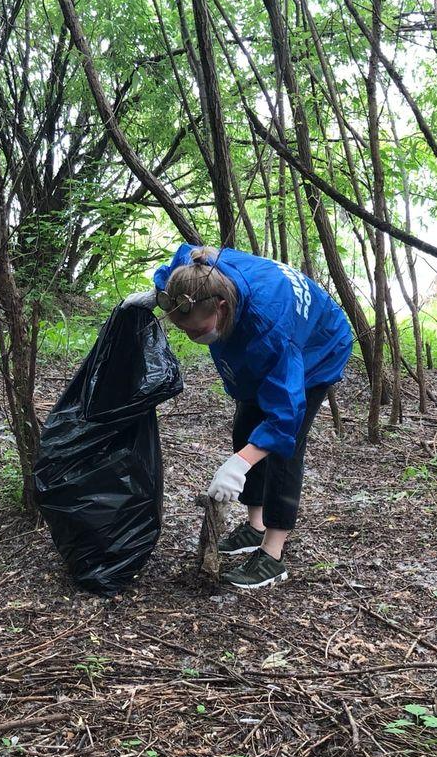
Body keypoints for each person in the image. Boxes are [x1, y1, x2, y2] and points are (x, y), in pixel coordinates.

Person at [124, 244, 352, 590]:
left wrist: (240, 463)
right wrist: (158, 296)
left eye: (198, 332)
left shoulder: (271, 329)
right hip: (262, 334)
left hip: (317, 347)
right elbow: (175, 264)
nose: (193, 337)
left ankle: (272, 555)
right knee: (247, 424)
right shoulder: (193, 272)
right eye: (184, 331)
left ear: (222, 307)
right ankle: (254, 525)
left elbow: (284, 418)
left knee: (283, 450)